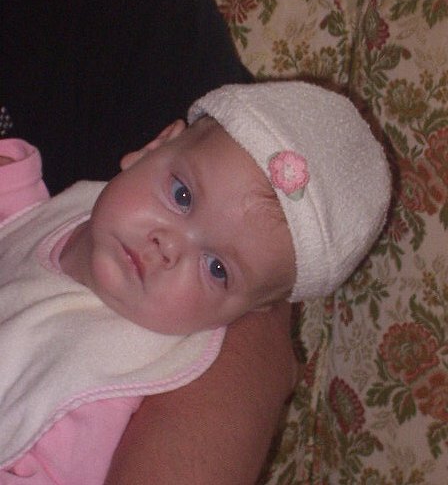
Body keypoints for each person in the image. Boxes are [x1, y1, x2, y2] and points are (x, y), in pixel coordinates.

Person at [0, 81, 391, 482]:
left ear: (247, 311)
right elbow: (23, 231)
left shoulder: (99, 396)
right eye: (182, 195)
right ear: (155, 146)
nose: (169, 246)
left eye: (217, 268)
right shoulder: (87, 209)